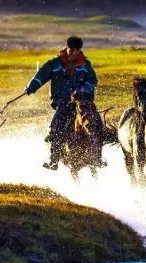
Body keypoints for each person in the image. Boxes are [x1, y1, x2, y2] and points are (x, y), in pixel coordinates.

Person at [23, 36, 98, 170]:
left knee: (96, 124)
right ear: (67, 48)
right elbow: (41, 75)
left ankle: (97, 157)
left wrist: (81, 90)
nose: (74, 53)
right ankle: (54, 160)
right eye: (72, 50)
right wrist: (31, 86)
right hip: (62, 102)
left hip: (82, 102)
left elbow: (93, 81)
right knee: (56, 127)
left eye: (77, 50)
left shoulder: (86, 65)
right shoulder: (55, 64)